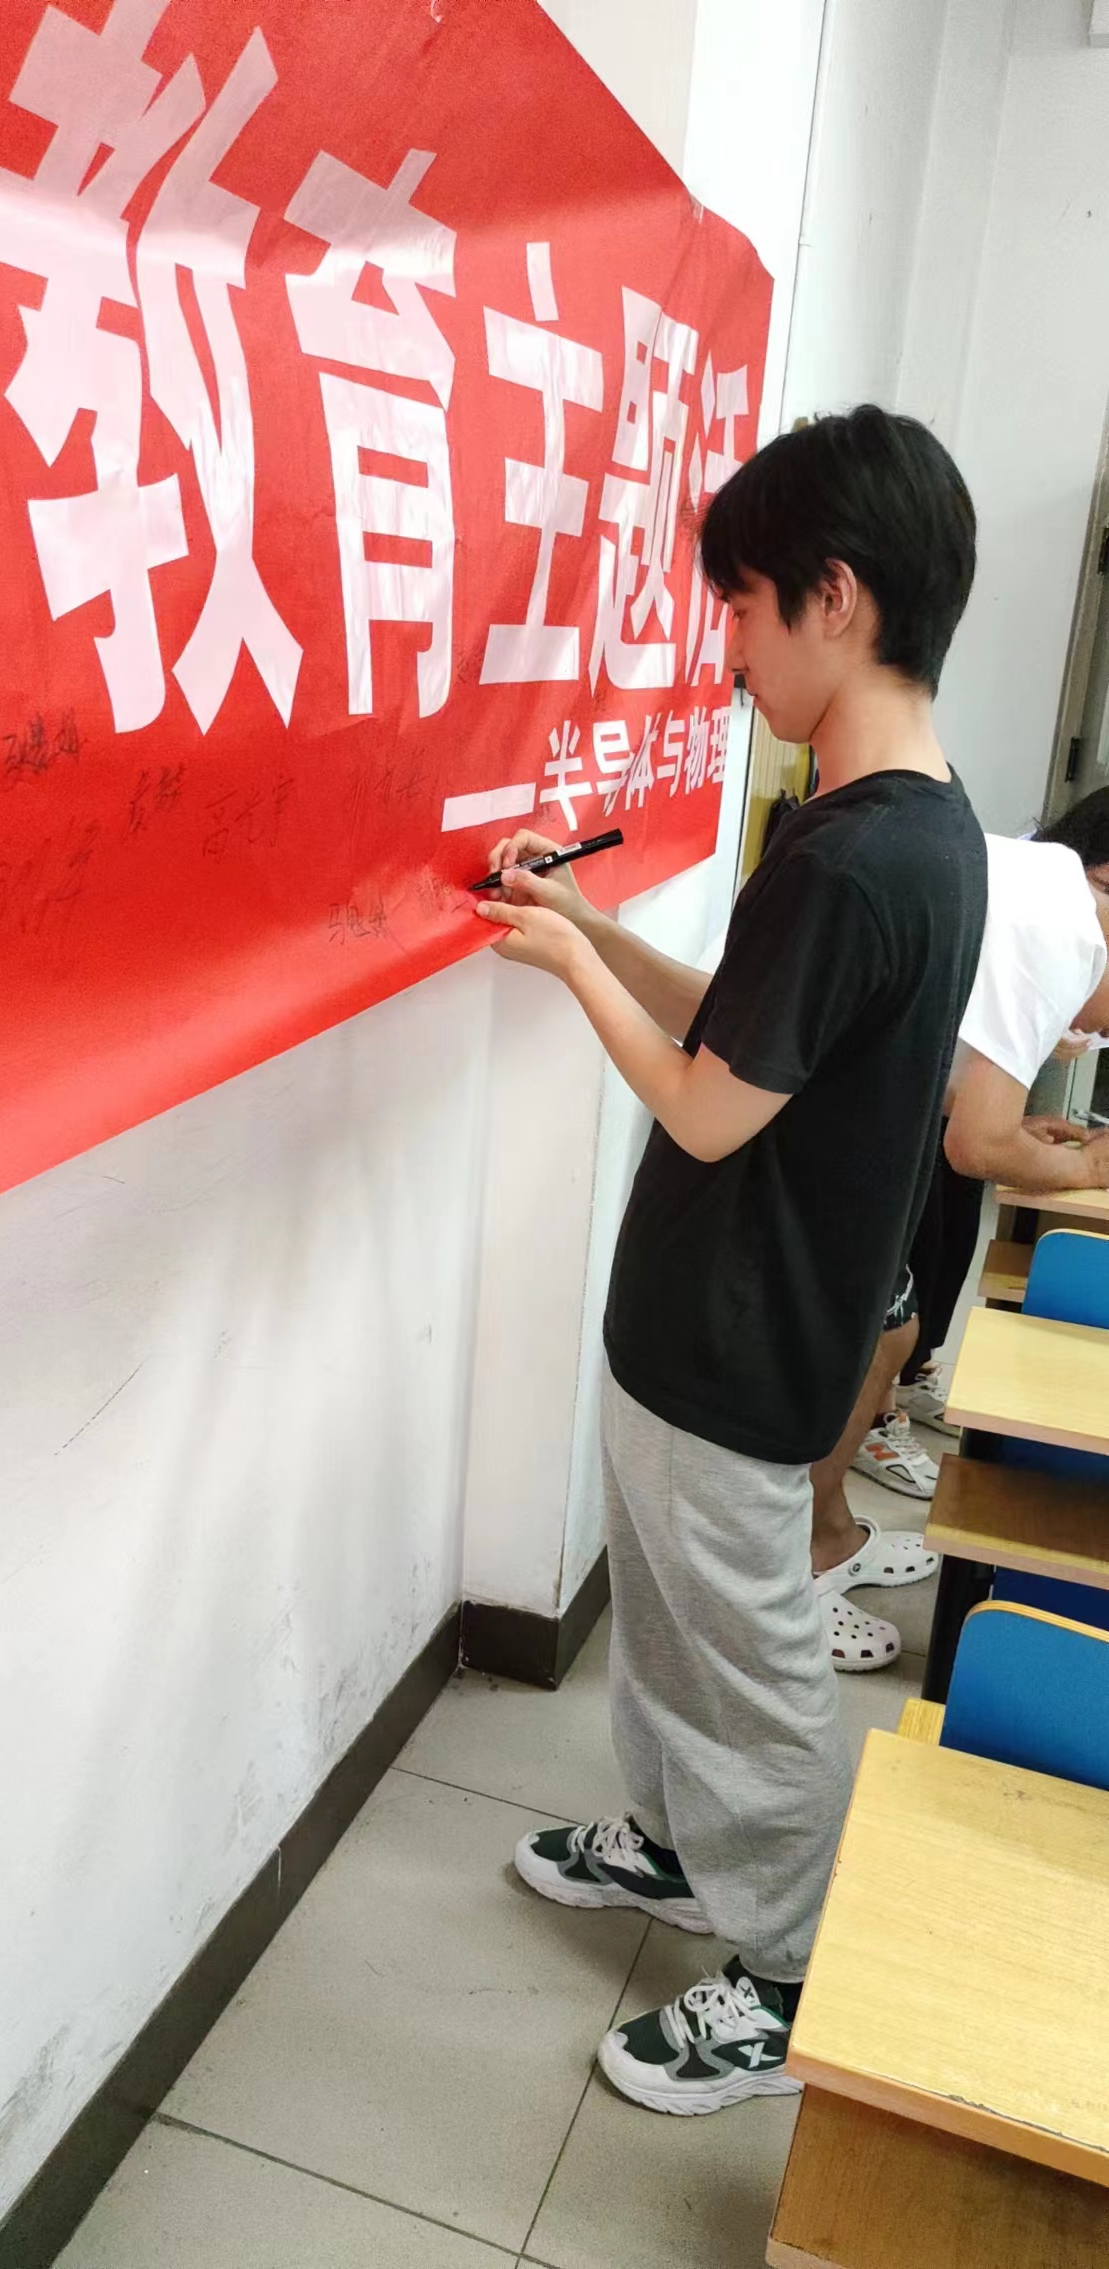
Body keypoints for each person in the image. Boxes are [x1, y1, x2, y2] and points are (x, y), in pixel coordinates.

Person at [476, 406, 986, 2115]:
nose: (725, 648)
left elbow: (705, 1109)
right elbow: (746, 1030)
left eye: (742, 605)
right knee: (672, 1630)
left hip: (739, 1348)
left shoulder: (858, 856)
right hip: (701, 1329)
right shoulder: (899, 823)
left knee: (744, 1667)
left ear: (833, 597)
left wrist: (565, 969)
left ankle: (784, 1970)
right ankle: (678, 1847)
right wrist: (590, 924)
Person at [811, 793, 1109, 1669]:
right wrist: (1087, 1169)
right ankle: (794, 1572)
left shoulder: (1030, 883)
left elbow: (931, 1059)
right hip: (812, 1123)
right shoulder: (1063, 923)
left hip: (851, 1106)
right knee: (863, 1347)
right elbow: (976, 1146)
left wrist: (1011, 1127)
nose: (1097, 1032)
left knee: (891, 1335)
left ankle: (827, 1533)